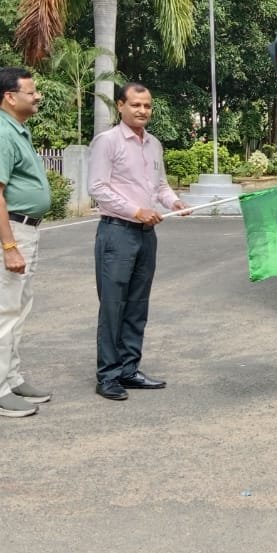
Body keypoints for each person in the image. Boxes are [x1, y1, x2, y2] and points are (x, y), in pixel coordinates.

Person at [88, 82, 189, 401]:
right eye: (135, 105)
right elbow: (98, 187)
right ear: (120, 106)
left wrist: (174, 202)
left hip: (146, 235)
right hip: (117, 232)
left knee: (137, 305)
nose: (142, 111)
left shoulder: (153, 145)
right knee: (113, 306)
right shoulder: (108, 142)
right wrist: (136, 211)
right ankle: (108, 376)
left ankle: (130, 370)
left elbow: (160, 186)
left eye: (147, 106)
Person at [0, 67, 53, 418]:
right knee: (2, 312)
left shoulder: (16, 130)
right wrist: (9, 247)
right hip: (10, 233)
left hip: (24, 231)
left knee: (17, 310)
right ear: (10, 96)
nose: (37, 97)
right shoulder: (0, 135)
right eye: (31, 92)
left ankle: (11, 378)